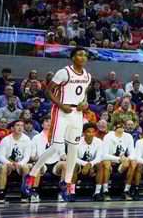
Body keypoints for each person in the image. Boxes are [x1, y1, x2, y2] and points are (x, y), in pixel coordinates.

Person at [23, 47, 92, 202]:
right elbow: (48, 91)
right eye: (80, 55)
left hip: (77, 114)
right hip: (61, 112)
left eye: (85, 56)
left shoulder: (87, 76)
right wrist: (61, 105)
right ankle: (32, 174)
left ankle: (67, 182)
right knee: (55, 147)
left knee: (73, 149)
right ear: (73, 57)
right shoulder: (64, 72)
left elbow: (84, 94)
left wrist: (85, 103)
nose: (83, 57)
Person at [29, 115, 66, 202]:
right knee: (36, 166)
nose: (49, 123)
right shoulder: (36, 138)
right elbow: (32, 155)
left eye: (51, 121)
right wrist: (35, 159)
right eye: (46, 121)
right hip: (42, 162)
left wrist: (65, 157)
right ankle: (34, 193)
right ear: (42, 124)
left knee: (65, 164)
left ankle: (62, 192)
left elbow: (62, 154)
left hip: (55, 163)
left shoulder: (58, 138)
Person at [101, 120, 137, 200]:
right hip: (111, 161)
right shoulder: (108, 136)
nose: (122, 127)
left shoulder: (128, 136)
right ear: (114, 127)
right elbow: (104, 155)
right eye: (119, 125)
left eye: (123, 125)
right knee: (106, 162)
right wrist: (120, 159)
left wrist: (128, 159)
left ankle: (126, 191)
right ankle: (105, 191)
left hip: (123, 163)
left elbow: (134, 154)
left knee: (133, 162)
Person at [0, 120, 32, 203]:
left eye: (22, 126)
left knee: (26, 166)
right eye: (17, 125)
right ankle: (1, 193)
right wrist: (8, 163)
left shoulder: (27, 139)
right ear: (12, 128)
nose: (20, 127)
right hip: (7, 163)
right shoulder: (5, 140)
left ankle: (24, 192)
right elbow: (1, 156)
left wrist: (20, 164)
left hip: (20, 164)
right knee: (3, 167)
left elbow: (27, 157)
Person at [75, 123, 105, 201]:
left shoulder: (99, 141)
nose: (91, 134)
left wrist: (90, 164)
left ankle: (97, 193)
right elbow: (73, 158)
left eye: (93, 132)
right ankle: (72, 192)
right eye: (88, 132)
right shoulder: (76, 141)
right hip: (80, 163)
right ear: (83, 133)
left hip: (93, 163)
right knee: (73, 165)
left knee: (100, 166)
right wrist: (86, 164)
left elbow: (99, 158)